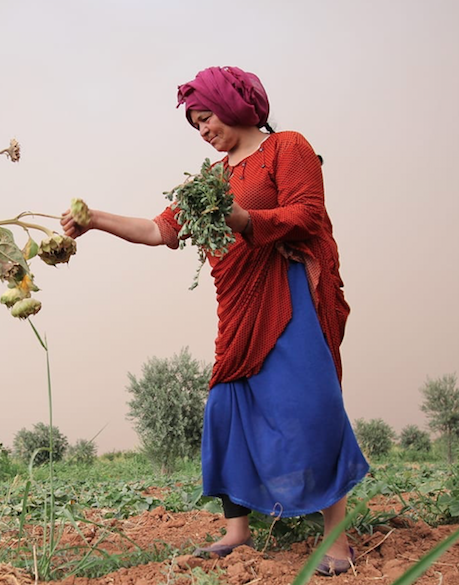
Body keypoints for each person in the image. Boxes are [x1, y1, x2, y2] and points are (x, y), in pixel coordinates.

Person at [61, 66, 369, 577]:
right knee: (228, 409)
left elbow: (309, 213)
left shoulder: (286, 148)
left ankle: (336, 539)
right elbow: (160, 230)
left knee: (311, 407)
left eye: (206, 118)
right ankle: (237, 530)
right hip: (239, 309)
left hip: (286, 294)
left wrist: (246, 220)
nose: (203, 130)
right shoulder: (212, 180)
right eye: (195, 124)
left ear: (234, 104)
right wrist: (94, 220)